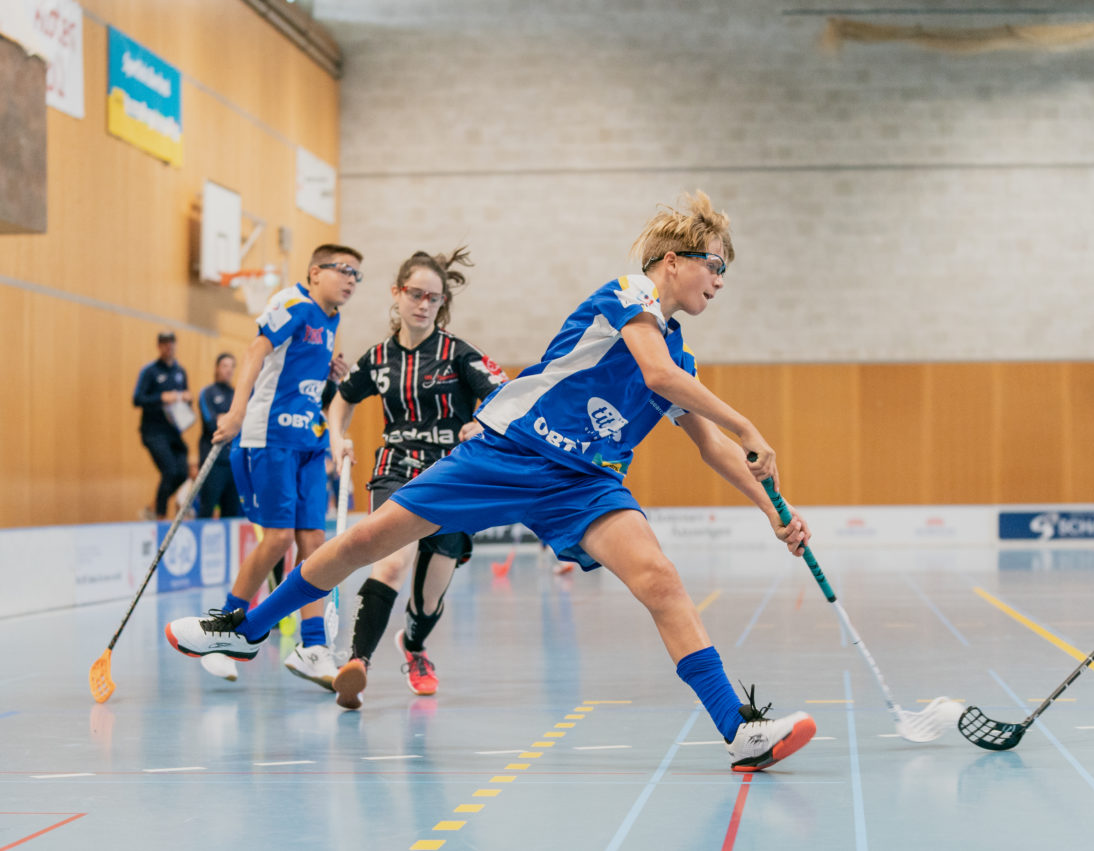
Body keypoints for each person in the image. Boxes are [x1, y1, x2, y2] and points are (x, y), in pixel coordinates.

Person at [167, 193, 817, 772]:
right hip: (510, 449)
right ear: (674, 259)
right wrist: (748, 423)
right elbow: (656, 377)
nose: (720, 281)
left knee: (660, 580)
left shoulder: (681, 353)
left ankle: (738, 730)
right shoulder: (627, 296)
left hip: (582, 481)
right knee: (373, 539)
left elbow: (710, 446)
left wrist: (772, 510)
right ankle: (247, 627)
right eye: (716, 264)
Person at [327, 248, 508, 709]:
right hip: (397, 469)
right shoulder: (379, 359)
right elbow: (342, 400)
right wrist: (336, 437)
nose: (423, 304)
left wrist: (480, 423)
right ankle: (357, 664)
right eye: (415, 294)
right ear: (397, 294)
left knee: (428, 600)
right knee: (388, 562)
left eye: (433, 298)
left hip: (453, 476)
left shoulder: (458, 354)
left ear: (441, 303)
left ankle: (413, 646)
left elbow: (507, 398)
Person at [193, 244, 359, 685]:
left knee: (316, 545)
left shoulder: (331, 319)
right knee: (278, 539)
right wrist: (235, 410)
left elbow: (296, 368)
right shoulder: (293, 303)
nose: (350, 281)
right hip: (269, 439)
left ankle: (312, 646)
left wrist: (329, 374)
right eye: (343, 270)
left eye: (357, 275)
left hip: (309, 441)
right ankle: (222, 633)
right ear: (315, 271)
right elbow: (254, 353)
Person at [132, 330, 193, 519]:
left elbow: (185, 399)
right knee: (169, 470)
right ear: (159, 346)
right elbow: (137, 399)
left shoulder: (180, 371)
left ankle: (152, 507)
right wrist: (161, 397)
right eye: (165, 343)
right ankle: (159, 516)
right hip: (153, 432)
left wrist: (187, 398)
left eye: (171, 343)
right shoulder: (150, 371)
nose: (169, 346)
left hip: (173, 431)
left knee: (182, 472)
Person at [196, 353, 243, 519]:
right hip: (212, 462)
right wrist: (233, 420)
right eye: (225, 366)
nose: (228, 370)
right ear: (217, 368)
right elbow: (211, 423)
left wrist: (228, 419)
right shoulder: (207, 393)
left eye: (232, 366)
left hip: (233, 461)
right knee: (207, 509)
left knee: (231, 511)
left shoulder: (238, 395)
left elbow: (243, 423)